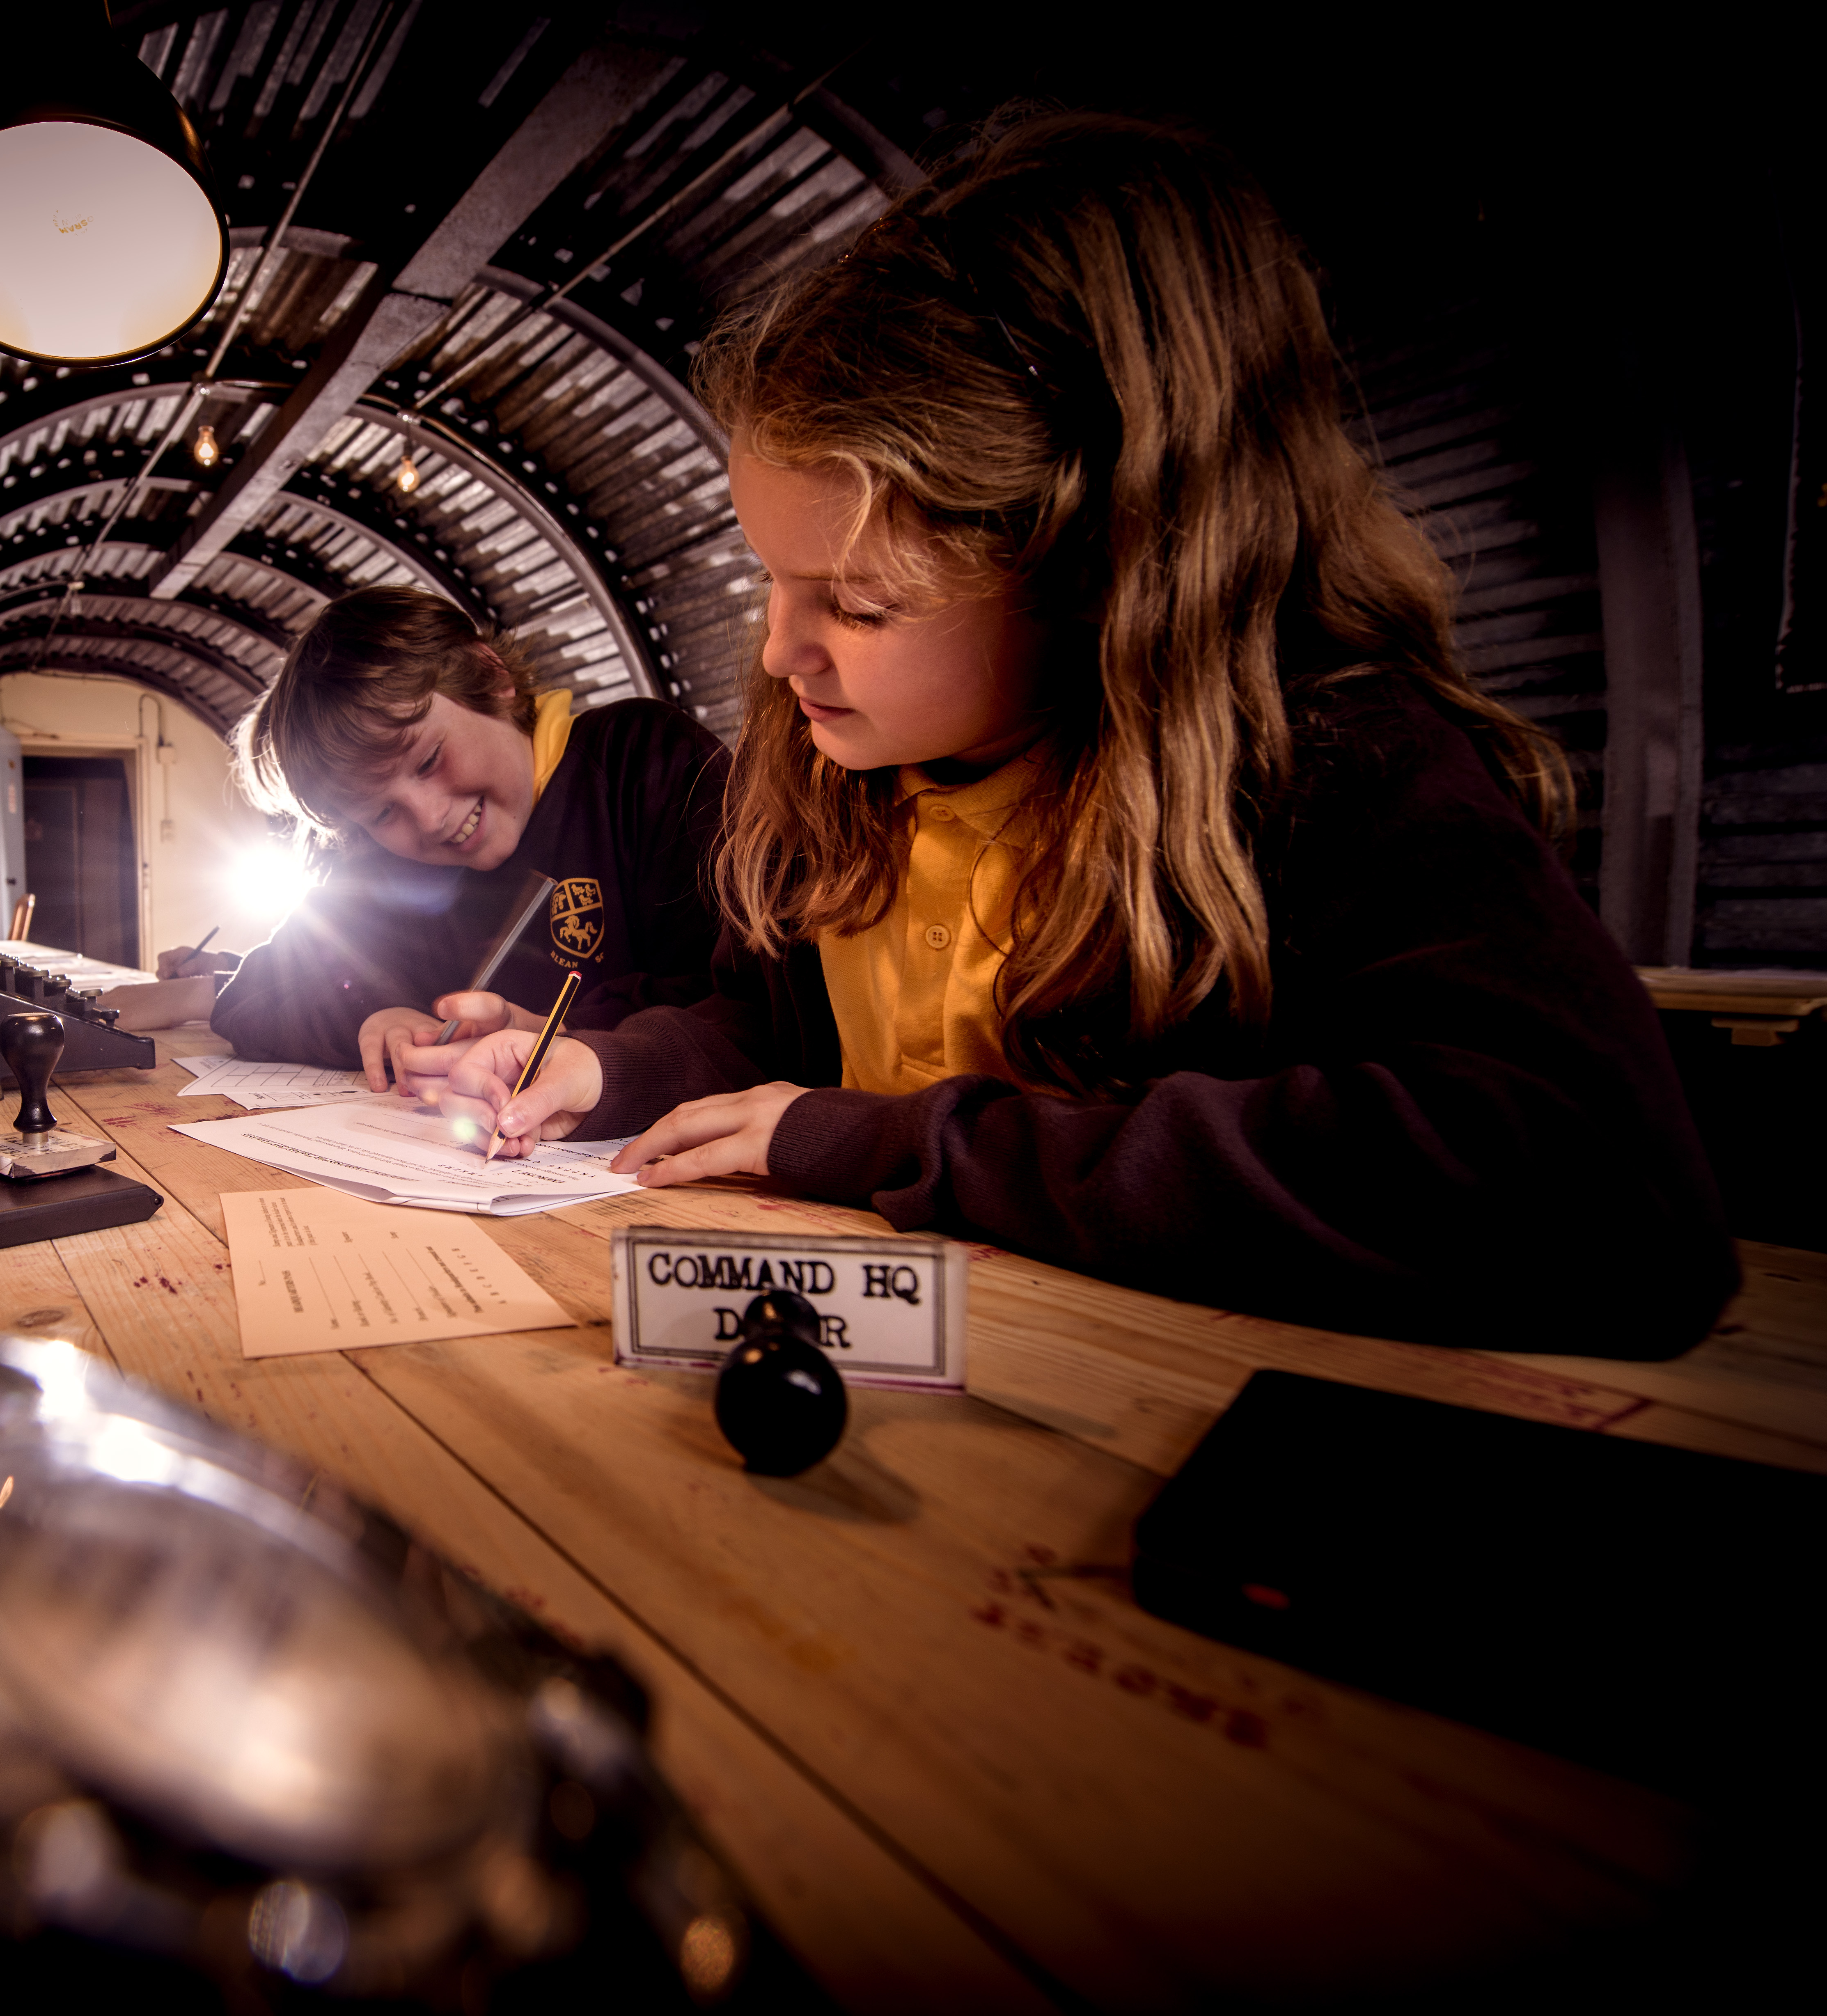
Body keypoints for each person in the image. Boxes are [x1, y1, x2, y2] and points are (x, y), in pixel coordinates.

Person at [424, 112, 1733, 1356]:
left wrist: (882, 1143)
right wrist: (615, 1066)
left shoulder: (1325, 766)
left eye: (860, 602)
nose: (778, 649)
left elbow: (1603, 1191)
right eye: (770, 575)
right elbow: (774, 1035)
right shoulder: (843, 771)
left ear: (1096, 577)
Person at [202, 586, 728, 1087]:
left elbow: (741, 1007)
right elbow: (250, 997)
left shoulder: (644, 760)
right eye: (383, 812)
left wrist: (556, 1033)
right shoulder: (384, 866)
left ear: (488, 673)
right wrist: (378, 1016)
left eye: (429, 760)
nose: (429, 820)